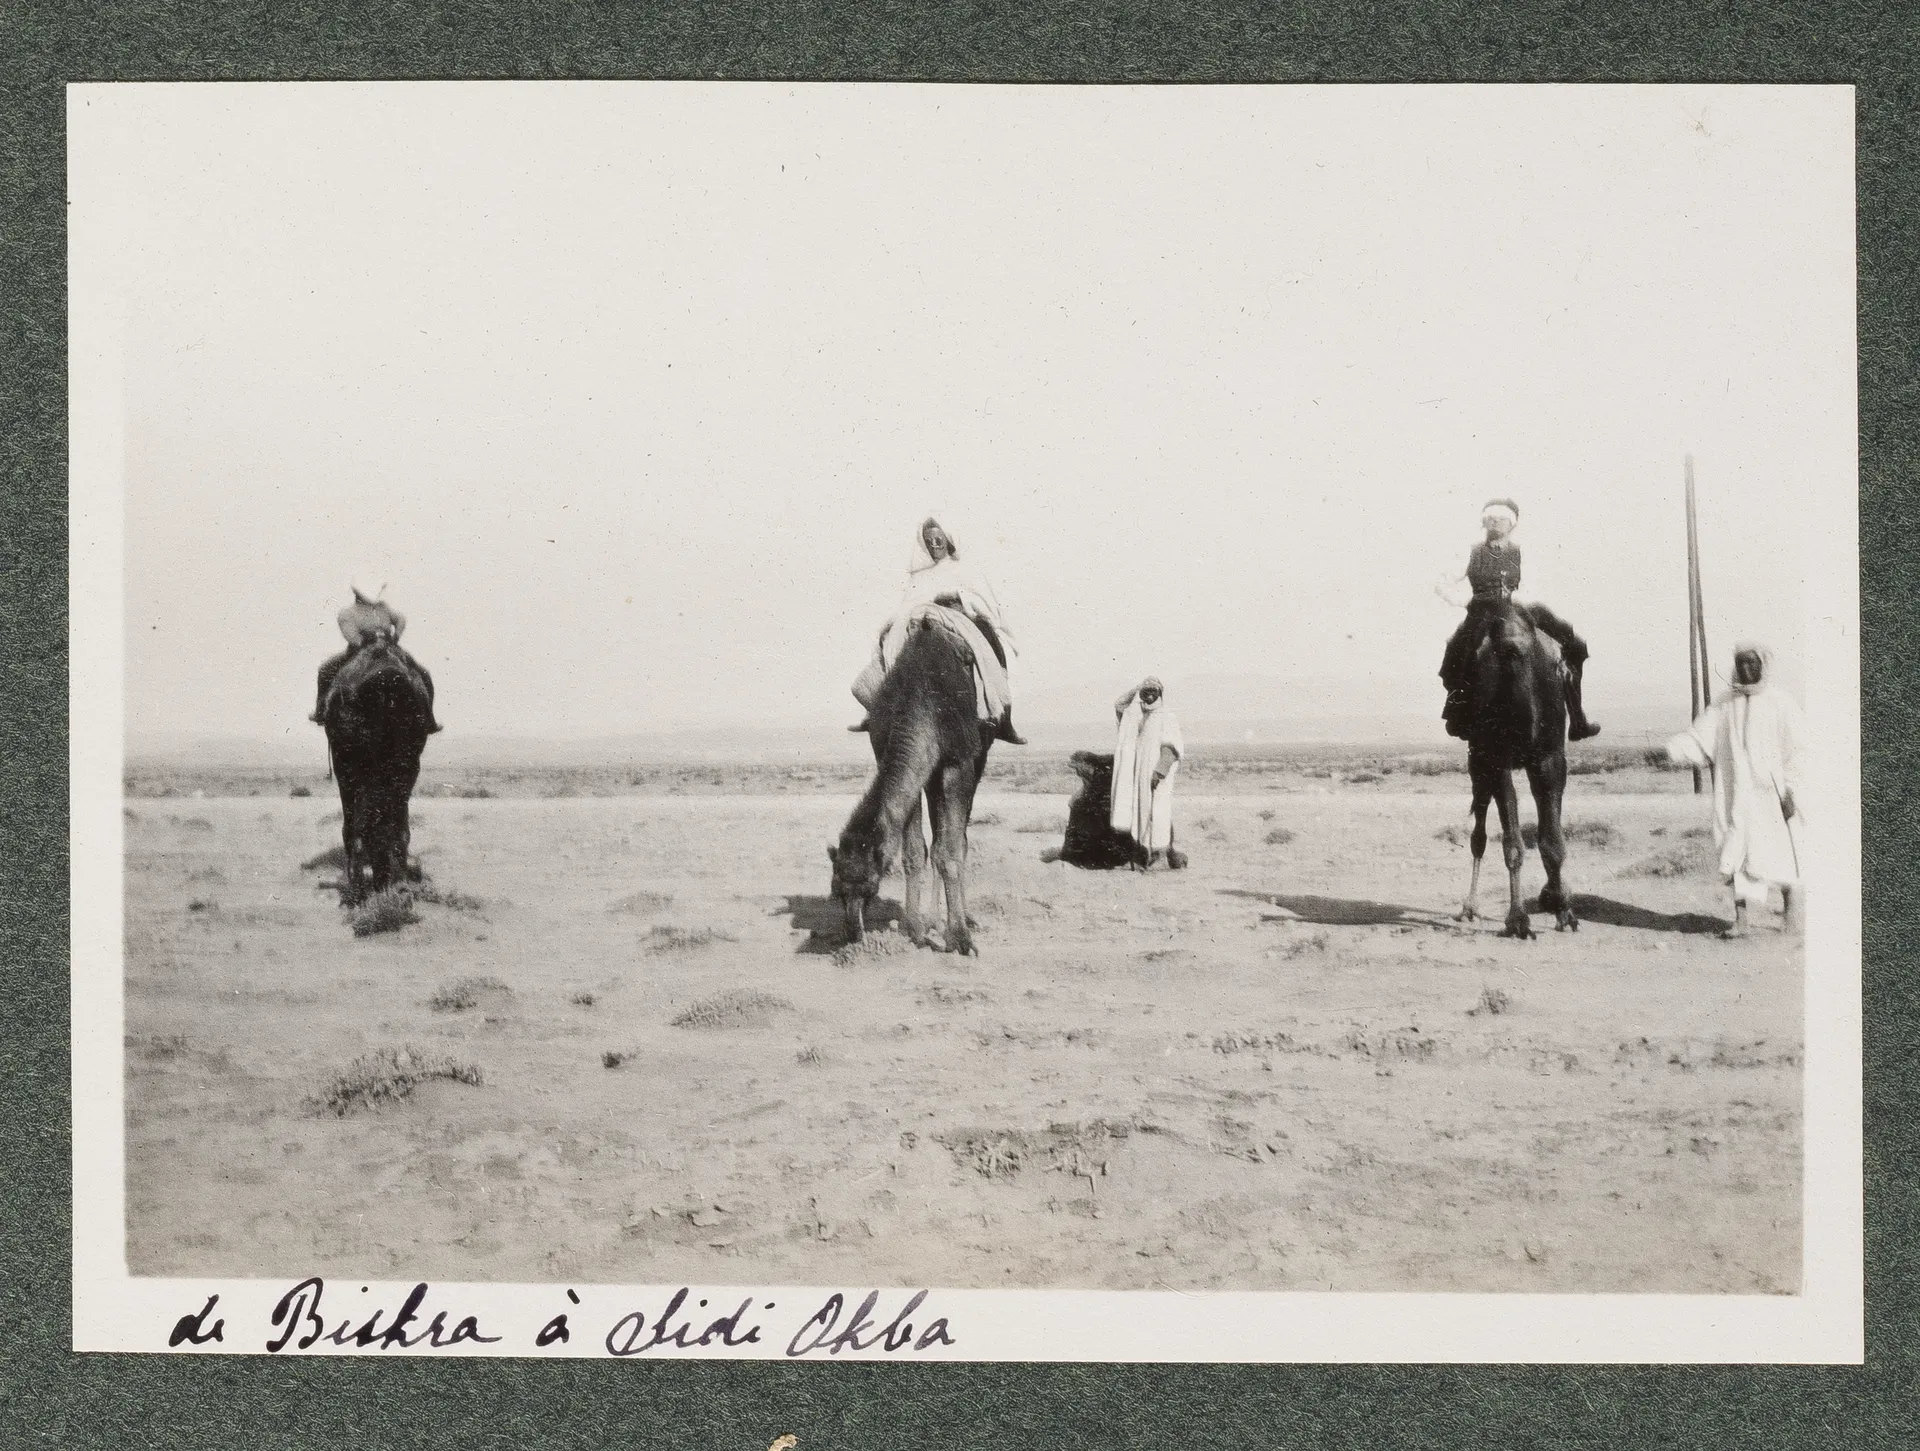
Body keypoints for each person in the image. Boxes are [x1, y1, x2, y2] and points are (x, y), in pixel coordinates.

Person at [1664, 643, 1804, 937]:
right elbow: (1699, 737)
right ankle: (1741, 921)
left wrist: (1791, 790)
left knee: (1781, 852)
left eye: (1752, 663)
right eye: (1740, 663)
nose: (1745, 669)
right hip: (1735, 796)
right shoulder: (1725, 704)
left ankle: (1791, 915)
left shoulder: (1781, 702)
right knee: (1735, 852)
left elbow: (1799, 750)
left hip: (1771, 796)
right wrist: (1669, 751)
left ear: (1763, 664)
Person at [1437, 497, 1601, 741]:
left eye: (1500, 519)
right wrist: (1466, 601)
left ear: (1511, 524)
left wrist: (1516, 600)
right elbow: (1442, 583)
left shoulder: (1523, 552)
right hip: (1481, 609)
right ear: (1484, 523)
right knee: (1457, 649)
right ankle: (1458, 710)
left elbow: (1531, 584)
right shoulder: (1469, 552)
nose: (1495, 524)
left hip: (1520, 606)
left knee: (1574, 644)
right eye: (1490, 519)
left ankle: (1577, 718)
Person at [850, 517, 1024, 744]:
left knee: (988, 639)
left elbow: (981, 600)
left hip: (957, 615)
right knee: (887, 639)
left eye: (938, 539)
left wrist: (956, 597)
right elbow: (908, 603)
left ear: (948, 539)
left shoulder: (963, 569)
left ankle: (1004, 717)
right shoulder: (919, 575)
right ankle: (876, 709)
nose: (934, 544)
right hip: (921, 619)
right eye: (929, 541)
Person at [310, 584, 442, 733]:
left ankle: (428, 717)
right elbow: (351, 635)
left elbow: (400, 619)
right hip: (360, 650)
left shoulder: (383, 607)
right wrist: (365, 641)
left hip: (389, 648)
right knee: (326, 670)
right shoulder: (348, 613)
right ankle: (321, 710)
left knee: (423, 673)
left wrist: (396, 635)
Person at [1111, 677, 1184, 869]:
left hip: (1157, 776)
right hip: (1140, 776)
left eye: (1154, 691)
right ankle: (1141, 857)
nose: (1149, 695)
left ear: (1160, 694)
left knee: (1158, 814)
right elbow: (1119, 705)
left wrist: (1159, 772)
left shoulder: (1166, 715)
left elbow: (1170, 747)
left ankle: (1160, 858)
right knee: (1140, 815)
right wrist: (1137, 687)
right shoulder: (1138, 716)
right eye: (1146, 692)